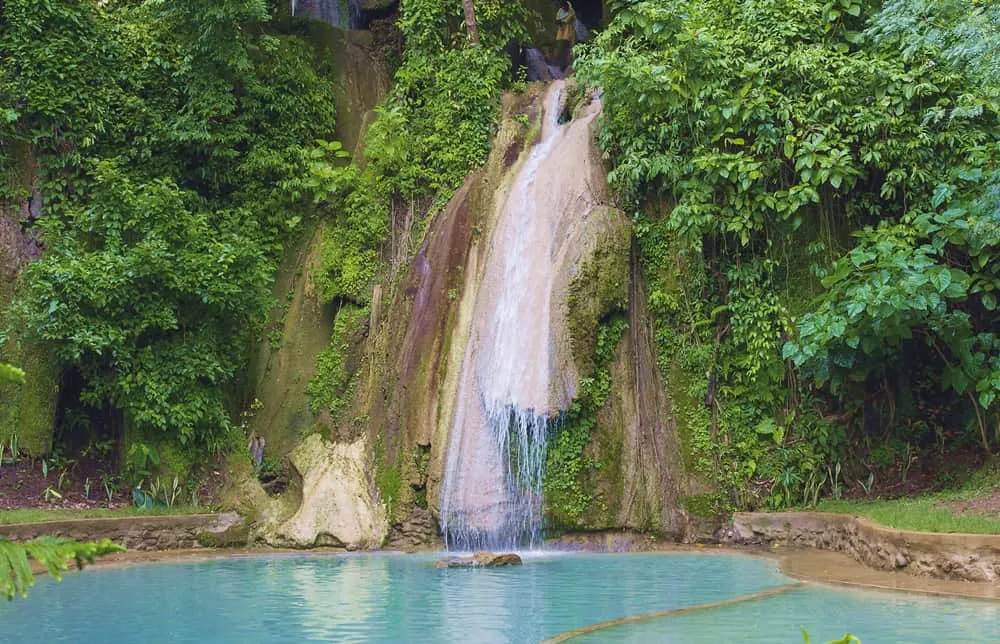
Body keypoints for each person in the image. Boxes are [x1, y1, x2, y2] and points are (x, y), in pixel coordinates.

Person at [554, 0, 577, 70]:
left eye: (565, 7)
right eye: (563, 7)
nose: (564, 8)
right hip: (561, 33)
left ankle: (571, 65)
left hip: (570, 32)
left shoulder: (571, 11)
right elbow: (557, 20)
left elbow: (569, 20)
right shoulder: (560, 11)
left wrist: (563, 22)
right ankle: (561, 65)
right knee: (561, 49)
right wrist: (560, 23)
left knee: (570, 49)